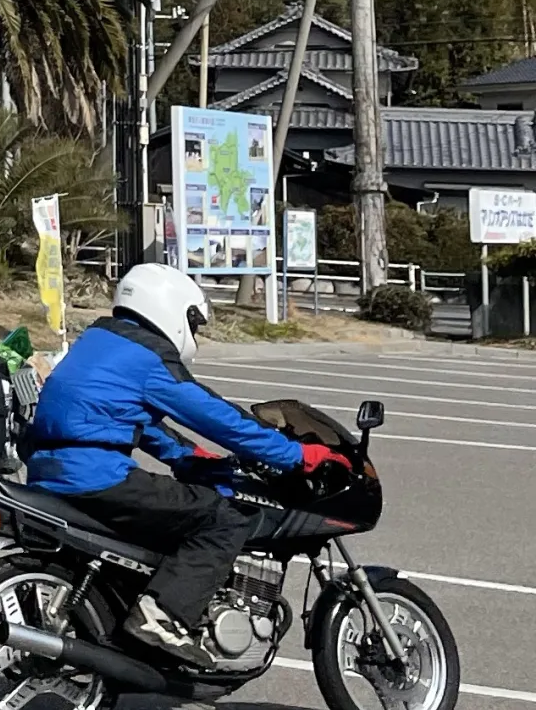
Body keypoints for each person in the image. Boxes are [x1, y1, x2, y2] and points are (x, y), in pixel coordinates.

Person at [24, 264, 337, 659]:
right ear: (172, 308)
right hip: (96, 477)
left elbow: (127, 419)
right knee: (225, 518)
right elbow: (215, 415)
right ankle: (162, 616)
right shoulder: (146, 357)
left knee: (178, 508)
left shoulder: (100, 342)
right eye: (194, 321)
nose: (195, 332)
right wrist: (294, 454)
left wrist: (188, 458)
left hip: (51, 471)